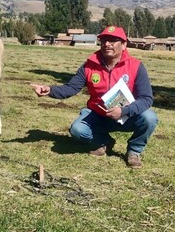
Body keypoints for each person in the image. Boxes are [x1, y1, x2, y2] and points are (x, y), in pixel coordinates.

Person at [30, 26, 158, 168]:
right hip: (98, 116)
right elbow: (71, 88)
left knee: (149, 118)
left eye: (112, 40)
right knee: (77, 130)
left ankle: (134, 151)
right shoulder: (89, 66)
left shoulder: (136, 66)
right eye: (103, 40)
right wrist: (50, 90)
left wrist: (124, 111)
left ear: (124, 44)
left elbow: (146, 98)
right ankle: (104, 141)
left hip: (126, 116)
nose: (107, 44)